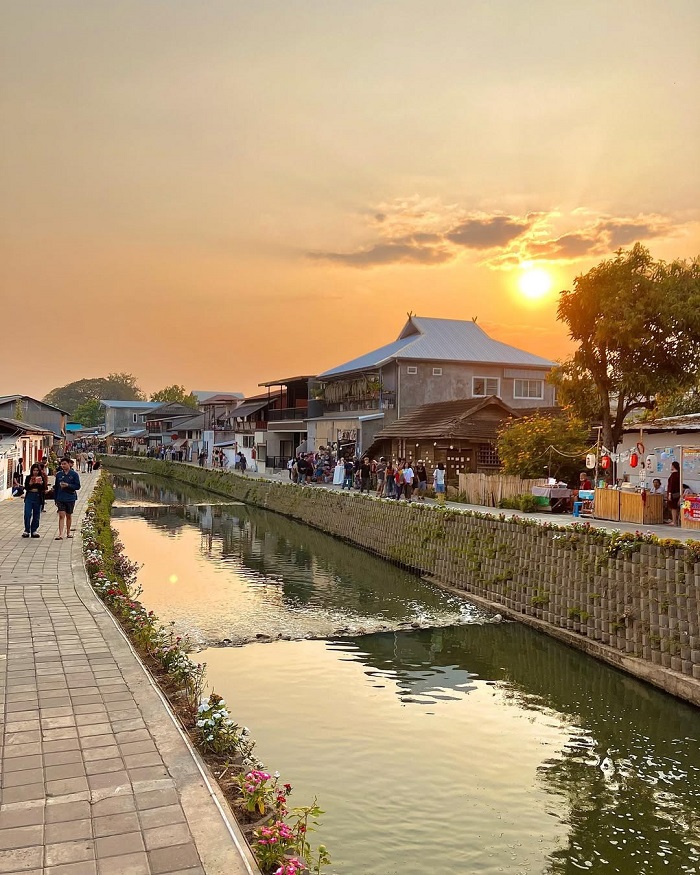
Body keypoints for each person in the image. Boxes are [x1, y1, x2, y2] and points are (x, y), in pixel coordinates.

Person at [54, 457, 81, 540]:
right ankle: (61, 534)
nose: (63, 466)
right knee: (61, 515)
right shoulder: (59, 475)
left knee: (68, 515)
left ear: (69, 464)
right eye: (62, 464)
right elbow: (56, 487)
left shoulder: (74, 474)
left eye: (65, 464)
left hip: (70, 497)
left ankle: (68, 532)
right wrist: (55, 498)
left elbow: (77, 486)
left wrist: (68, 485)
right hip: (60, 497)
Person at [22, 463, 46, 538]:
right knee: (27, 513)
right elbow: (26, 487)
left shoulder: (42, 477)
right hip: (30, 496)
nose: (35, 472)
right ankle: (27, 530)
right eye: (34, 470)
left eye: (37, 470)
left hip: (38, 496)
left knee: (36, 514)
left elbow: (44, 488)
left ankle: (34, 530)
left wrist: (41, 484)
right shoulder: (28, 477)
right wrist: (30, 484)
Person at [667, 460, 681, 527]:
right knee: (676, 508)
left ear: (673, 466)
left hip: (673, 494)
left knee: (673, 508)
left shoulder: (673, 475)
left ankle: (674, 522)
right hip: (678, 493)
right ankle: (676, 521)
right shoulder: (679, 475)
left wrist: (669, 494)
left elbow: (671, 485)